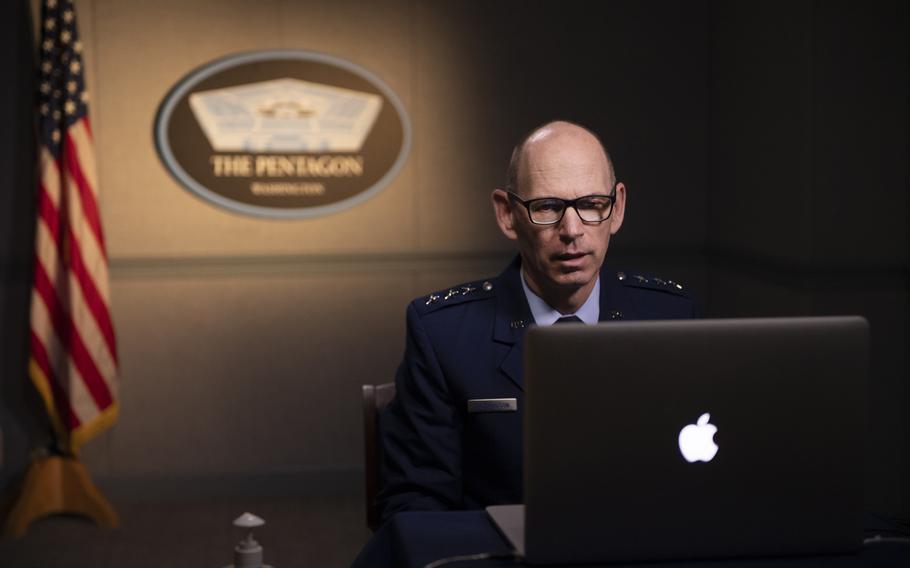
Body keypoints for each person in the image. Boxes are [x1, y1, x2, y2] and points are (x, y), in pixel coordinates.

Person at [376, 120, 696, 525]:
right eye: (547, 207)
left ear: (617, 208)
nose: (572, 230)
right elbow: (415, 508)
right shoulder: (443, 334)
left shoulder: (672, 315)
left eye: (592, 204)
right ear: (507, 214)